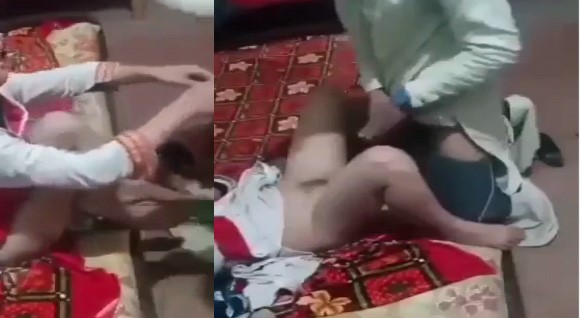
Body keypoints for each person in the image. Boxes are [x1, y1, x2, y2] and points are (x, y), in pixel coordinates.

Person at [214, 0, 557, 247]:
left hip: (454, 101)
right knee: (329, 103)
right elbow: (362, 36)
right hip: (399, 94)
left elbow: (496, 47)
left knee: (474, 211)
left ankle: (506, 121)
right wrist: (376, 88)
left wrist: (408, 98)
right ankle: (416, 143)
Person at [0, 7, 213, 284]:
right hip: (3, 244)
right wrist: (185, 107)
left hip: (7, 201)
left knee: (61, 129)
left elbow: (68, 79)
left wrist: (158, 71)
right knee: (91, 167)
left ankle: (155, 188)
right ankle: (179, 205)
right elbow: (93, 169)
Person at [214, 86, 525, 274]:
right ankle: (456, 227)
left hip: (270, 193)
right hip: (299, 227)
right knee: (384, 162)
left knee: (326, 97)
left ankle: (398, 128)